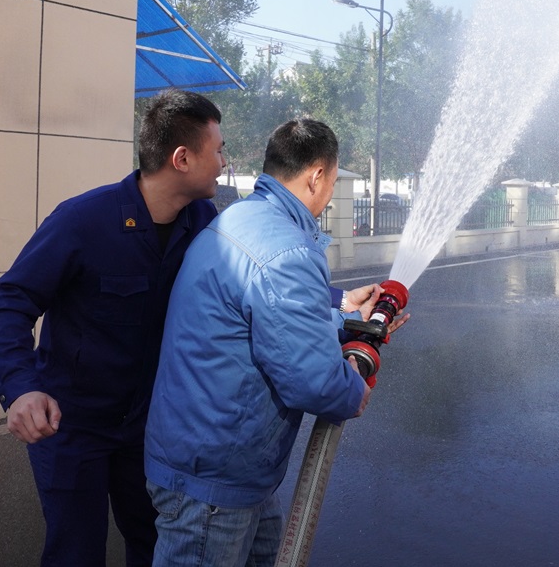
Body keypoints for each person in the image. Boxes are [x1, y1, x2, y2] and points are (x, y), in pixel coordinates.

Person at [0, 92, 377, 567]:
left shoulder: (202, 221)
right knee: (75, 551)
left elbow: (254, 285)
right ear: (182, 159)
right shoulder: (83, 221)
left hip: (149, 427)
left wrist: (338, 303)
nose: (225, 163)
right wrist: (20, 388)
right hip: (73, 425)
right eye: (219, 150)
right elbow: (10, 303)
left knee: (155, 546)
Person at [144, 118, 408, 567]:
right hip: (214, 483)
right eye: (332, 180)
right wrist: (354, 387)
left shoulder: (241, 219)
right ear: (317, 175)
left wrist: (348, 320)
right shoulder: (288, 250)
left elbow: (267, 322)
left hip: (219, 463)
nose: (329, 195)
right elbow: (314, 383)